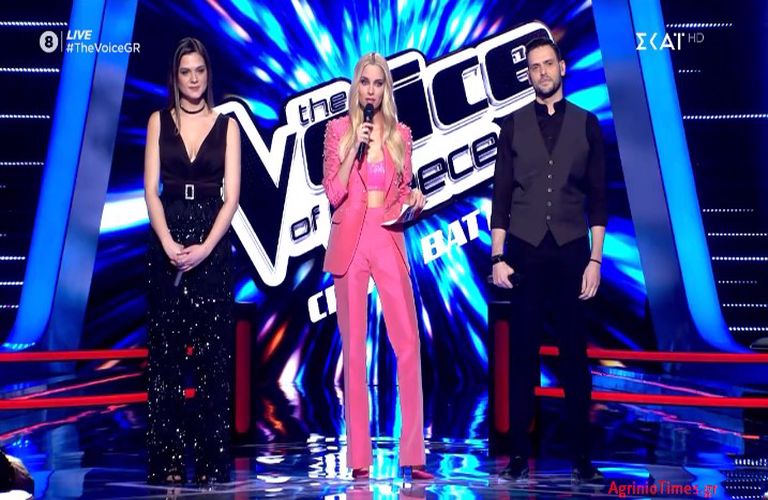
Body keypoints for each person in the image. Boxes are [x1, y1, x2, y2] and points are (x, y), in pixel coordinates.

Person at [490, 36, 607, 484]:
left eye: (547, 64)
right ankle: (519, 457)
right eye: (534, 67)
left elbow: (598, 199)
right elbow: (501, 196)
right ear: (529, 75)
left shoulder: (587, 124)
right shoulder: (512, 126)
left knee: (574, 357)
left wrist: (595, 260)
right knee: (522, 356)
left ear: (561, 67)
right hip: (525, 251)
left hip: (573, 251)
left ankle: (581, 459)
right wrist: (498, 256)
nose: (542, 72)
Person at [322, 52, 431, 480]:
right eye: (365, 82)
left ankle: (413, 455)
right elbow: (333, 193)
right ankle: (359, 461)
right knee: (354, 351)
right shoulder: (338, 131)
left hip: (387, 237)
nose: (371, 90)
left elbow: (401, 193)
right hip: (350, 240)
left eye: (378, 83)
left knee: (408, 344)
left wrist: (414, 200)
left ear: (386, 88)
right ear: (356, 87)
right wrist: (354, 147)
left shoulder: (401, 135)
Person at [143, 37, 241, 486]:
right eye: (186, 72)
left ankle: (209, 462)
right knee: (165, 358)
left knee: (211, 359)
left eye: (200, 70)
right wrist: (167, 242)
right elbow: (151, 190)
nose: (194, 79)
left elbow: (231, 198)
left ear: (208, 74)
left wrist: (204, 247)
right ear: (176, 77)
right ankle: (166, 459)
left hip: (212, 241)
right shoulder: (158, 121)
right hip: (168, 232)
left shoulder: (227, 126)